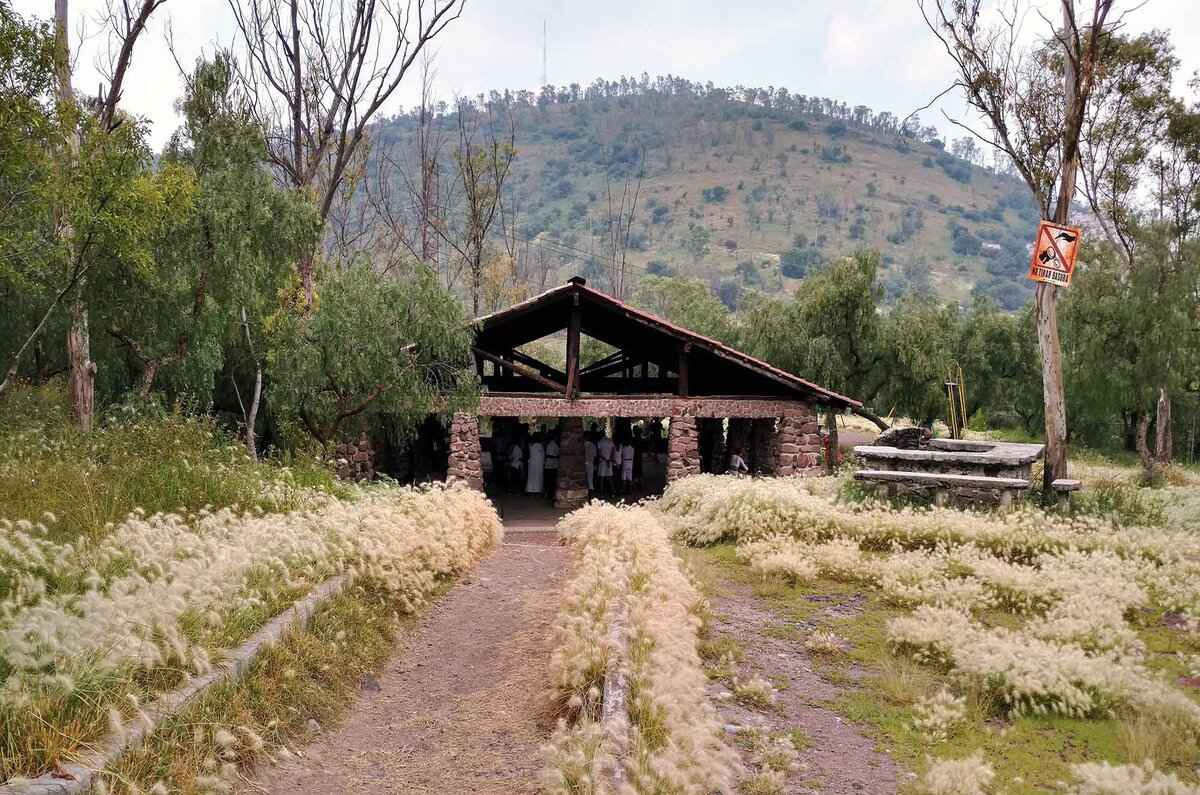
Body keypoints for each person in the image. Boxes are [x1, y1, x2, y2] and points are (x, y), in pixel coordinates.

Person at [596, 431, 615, 497]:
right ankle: (612, 493)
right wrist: (609, 459)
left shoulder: (599, 442)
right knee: (610, 478)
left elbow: (599, 453)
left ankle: (602, 494)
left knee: (601, 479)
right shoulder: (610, 441)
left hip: (602, 462)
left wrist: (605, 460)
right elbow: (613, 452)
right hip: (609, 462)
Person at [544, 431, 559, 502]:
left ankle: (549, 494)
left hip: (552, 465)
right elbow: (549, 454)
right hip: (551, 465)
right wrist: (556, 456)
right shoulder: (551, 444)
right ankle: (548, 494)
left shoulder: (553, 444)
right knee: (550, 480)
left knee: (550, 480)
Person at [584, 427, 597, 494]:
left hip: (583, 464)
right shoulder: (593, 445)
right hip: (590, 463)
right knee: (590, 480)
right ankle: (591, 496)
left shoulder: (582, 445)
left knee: (584, 480)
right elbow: (595, 456)